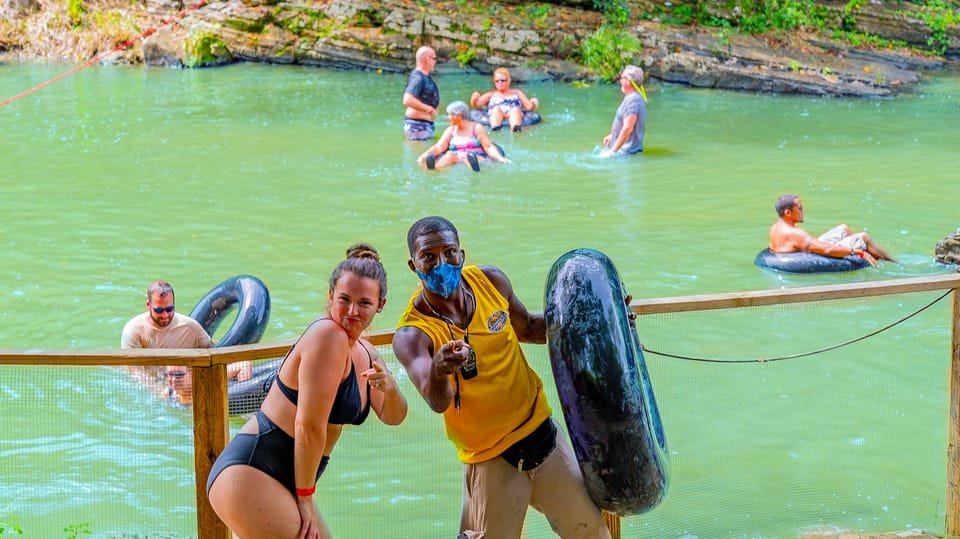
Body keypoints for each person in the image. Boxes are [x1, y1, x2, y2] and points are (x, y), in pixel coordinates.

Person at [392, 217, 610, 538]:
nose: (441, 263)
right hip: (490, 459)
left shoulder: (490, 281)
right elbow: (437, 401)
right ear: (414, 265)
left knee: (593, 532)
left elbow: (530, 328)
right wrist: (440, 368)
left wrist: (601, 317)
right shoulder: (411, 335)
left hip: (543, 435)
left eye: (449, 252)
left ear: (461, 254)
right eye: (429, 256)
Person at [207, 244, 408, 539]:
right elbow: (309, 426)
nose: (352, 311)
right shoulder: (327, 336)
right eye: (344, 299)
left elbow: (394, 416)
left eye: (364, 303)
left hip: (285, 482)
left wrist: (389, 388)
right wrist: (305, 500)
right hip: (253, 471)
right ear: (331, 295)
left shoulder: (366, 351)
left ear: (380, 304)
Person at [120, 280, 253, 406]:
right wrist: (164, 393)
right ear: (148, 305)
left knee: (244, 366)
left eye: (169, 309)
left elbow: (216, 353)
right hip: (159, 394)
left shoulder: (189, 327)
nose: (165, 315)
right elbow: (135, 373)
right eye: (159, 310)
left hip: (188, 387)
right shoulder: (134, 331)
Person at [769, 194, 897, 266]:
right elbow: (827, 250)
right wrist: (858, 252)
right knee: (863, 237)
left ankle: (863, 249)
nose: (803, 211)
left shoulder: (775, 227)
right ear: (788, 213)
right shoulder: (796, 234)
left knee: (843, 229)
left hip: (809, 249)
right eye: (800, 208)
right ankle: (893, 263)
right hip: (816, 254)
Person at [416, 101, 510, 172]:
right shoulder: (451, 130)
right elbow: (439, 147)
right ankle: (434, 169)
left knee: (468, 157)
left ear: (458, 116)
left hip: (476, 156)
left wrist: (500, 159)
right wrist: (425, 155)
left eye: (450, 115)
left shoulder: (477, 128)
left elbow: (488, 147)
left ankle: (475, 171)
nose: (448, 118)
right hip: (456, 156)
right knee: (449, 155)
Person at [469, 67, 539, 133]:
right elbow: (477, 104)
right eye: (497, 81)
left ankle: (515, 128)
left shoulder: (516, 92)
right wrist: (474, 99)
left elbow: (528, 106)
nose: (500, 83)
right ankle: (495, 128)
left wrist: (533, 103)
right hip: (497, 113)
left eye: (502, 80)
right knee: (496, 109)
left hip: (512, 112)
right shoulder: (491, 94)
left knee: (515, 109)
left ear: (508, 80)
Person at [599, 64, 647, 158]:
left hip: (626, 154)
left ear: (628, 81)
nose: (620, 81)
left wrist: (613, 151)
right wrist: (613, 135)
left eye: (622, 78)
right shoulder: (632, 97)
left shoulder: (633, 101)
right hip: (624, 152)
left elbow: (628, 128)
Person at [402, 45, 440, 141]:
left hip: (424, 125)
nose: (435, 62)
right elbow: (407, 100)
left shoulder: (424, 77)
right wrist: (429, 110)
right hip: (417, 127)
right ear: (427, 59)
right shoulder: (418, 77)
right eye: (434, 59)